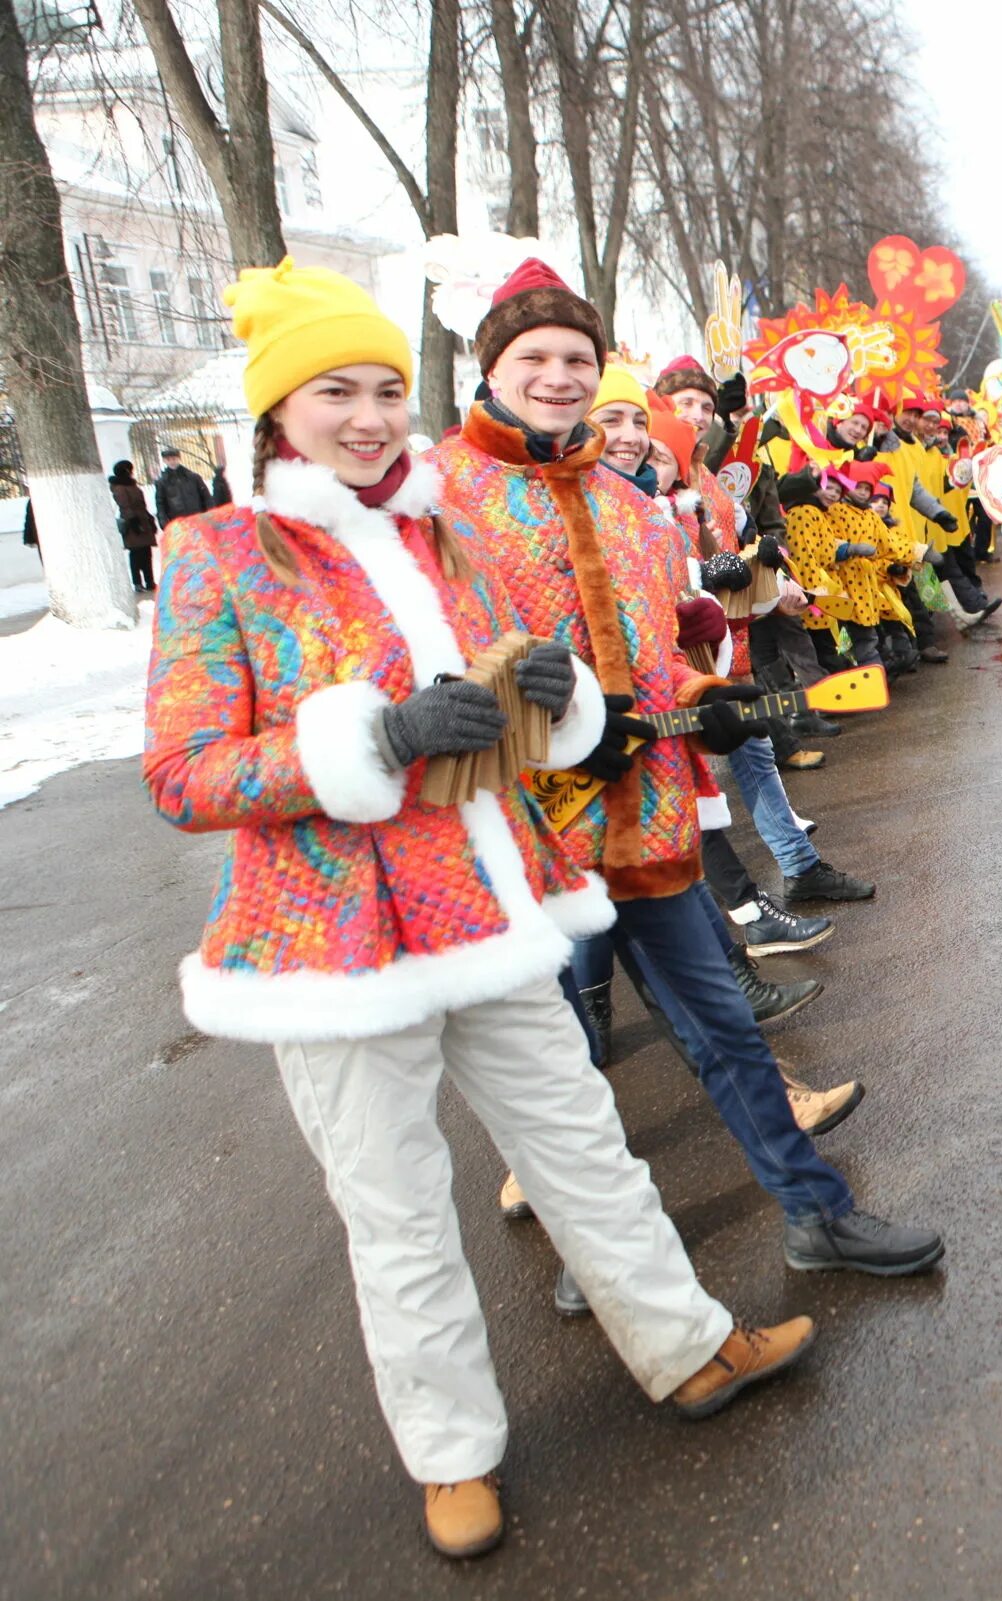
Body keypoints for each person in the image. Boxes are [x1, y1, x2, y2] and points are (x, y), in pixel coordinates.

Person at [145, 260, 814, 1560]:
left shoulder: (443, 535)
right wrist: (371, 739)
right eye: (336, 390)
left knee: (585, 1149)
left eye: (387, 387)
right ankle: (453, 1455)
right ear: (282, 412)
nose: (370, 414)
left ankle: (683, 1344)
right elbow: (182, 773)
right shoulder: (215, 551)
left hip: (485, 906)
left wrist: (554, 696)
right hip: (332, 953)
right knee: (396, 1212)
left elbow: (529, 718)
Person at [430, 259, 943, 1285]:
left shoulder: (627, 507)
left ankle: (817, 1211)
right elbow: (430, 661)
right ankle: (603, 1251)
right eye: (533, 356)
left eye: (577, 356)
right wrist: (548, 718)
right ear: (490, 367)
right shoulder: (441, 494)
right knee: (554, 1066)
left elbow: (661, 645)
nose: (558, 374)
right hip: (519, 834)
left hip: (647, 817)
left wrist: (707, 702)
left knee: (725, 1026)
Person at [109, 461, 158, 591]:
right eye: (130, 470)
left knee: (146, 553)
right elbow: (124, 505)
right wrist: (134, 521)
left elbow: (142, 505)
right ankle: (137, 582)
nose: (132, 472)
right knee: (136, 555)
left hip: (143, 521)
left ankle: (149, 581)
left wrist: (149, 519)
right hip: (133, 524)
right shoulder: (120, 487)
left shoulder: (132, 485)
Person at [152, 444, 213, 528]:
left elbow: (206, 496)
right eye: (168, 459)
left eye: (174, 459)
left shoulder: (193, 477)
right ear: (164, 461)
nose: (172, 462)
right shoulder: (162, 482)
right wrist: (164, 523)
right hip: (178, 523)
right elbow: (160, 504)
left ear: (179, 459)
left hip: (198, 519)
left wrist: (210, 513)